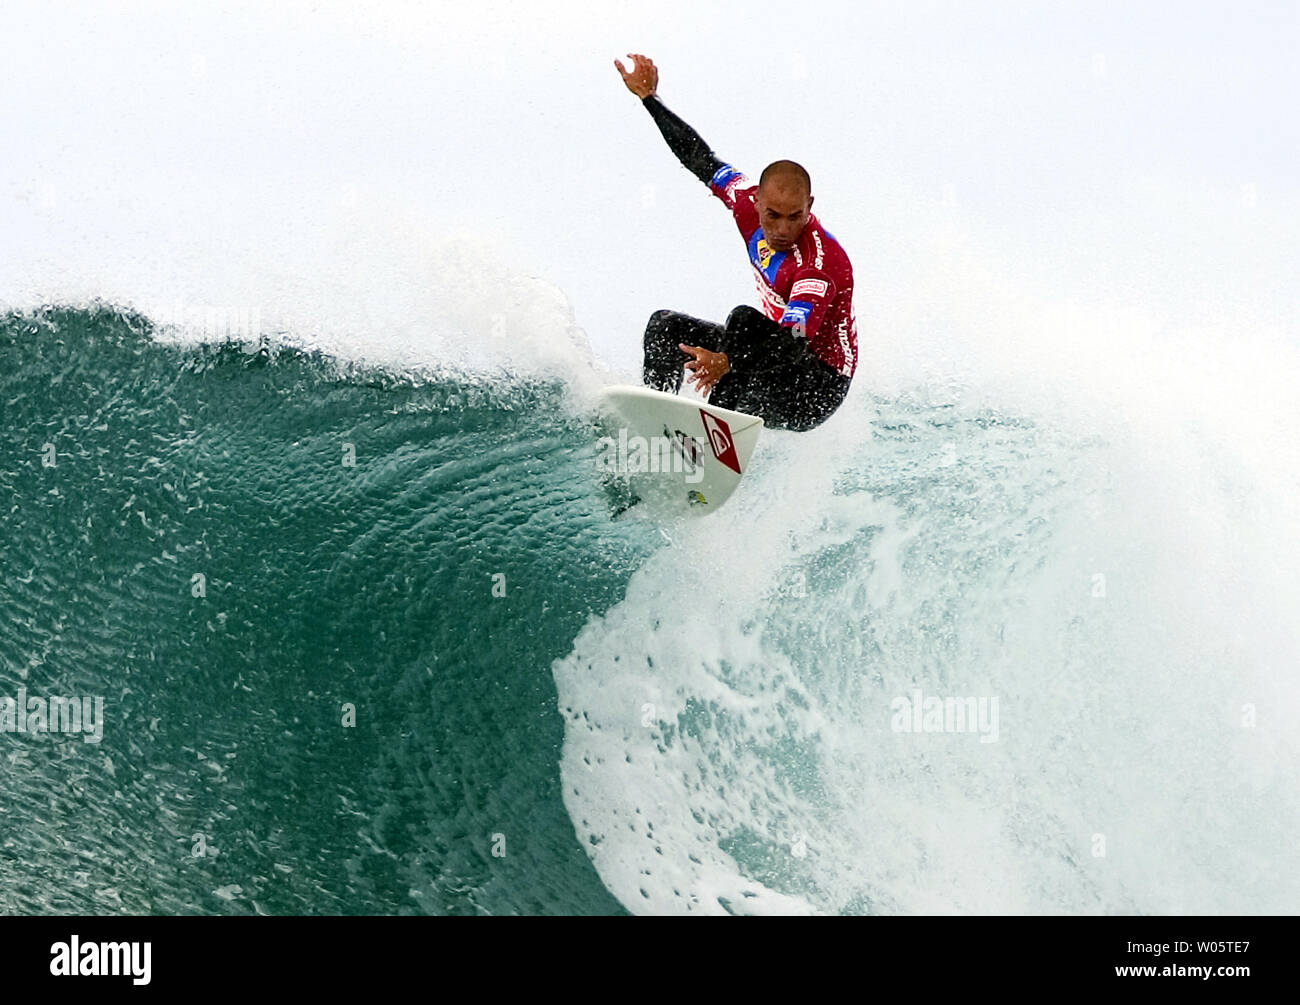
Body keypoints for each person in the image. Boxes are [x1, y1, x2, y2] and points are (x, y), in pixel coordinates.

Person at [615, 53, 858, 431]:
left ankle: (705, 444)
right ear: (757, 200)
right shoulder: (743, 200)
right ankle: (654, 427)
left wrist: (726, 361)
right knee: (665, 327)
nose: (781, 228)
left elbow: (793, 341)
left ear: (809, 207)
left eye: (795, 217)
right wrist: (650, 99)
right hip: (766, 360)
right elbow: (700, 158)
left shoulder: (819, 263)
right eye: (772, 215)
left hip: (815, 388)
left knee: (743, 321)